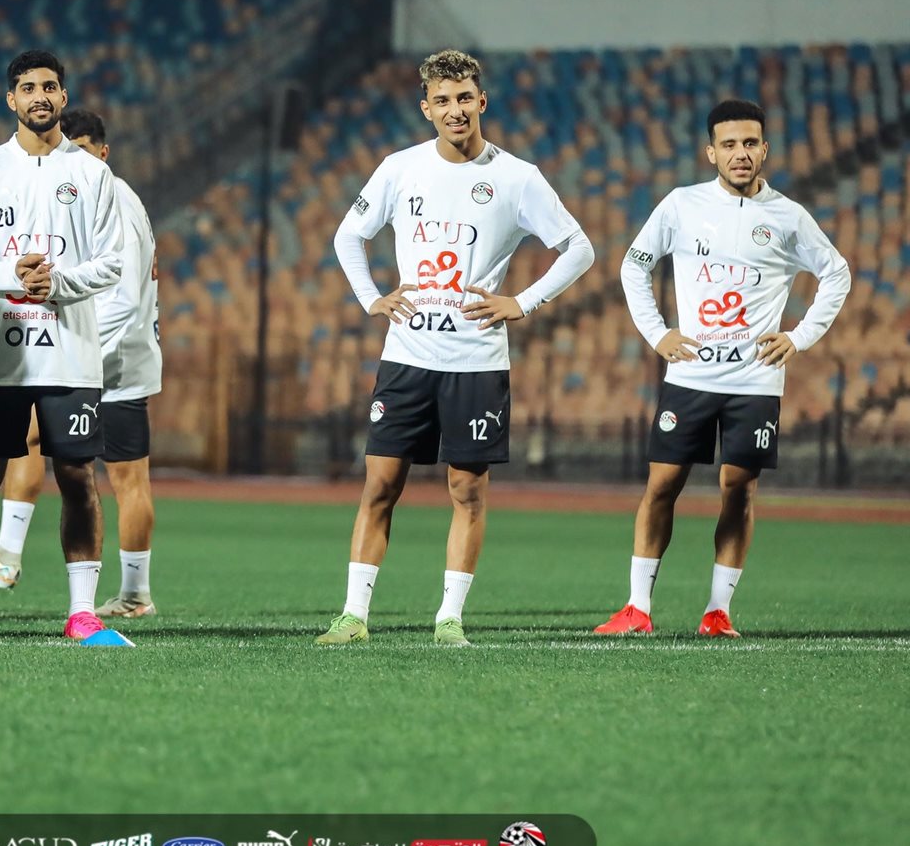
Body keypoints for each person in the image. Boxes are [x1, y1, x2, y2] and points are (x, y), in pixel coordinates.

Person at [320, 48, 595, 647]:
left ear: (482, 101)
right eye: (442, 100)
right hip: (407, 358)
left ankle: (449, 619)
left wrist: (523, 302)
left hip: (476, 362)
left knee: (466, 491)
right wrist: (372, 298)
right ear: (426, 109)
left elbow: (579, 248)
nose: (455, 110)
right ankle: (354, 616)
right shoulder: (399, 169)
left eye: (464, 98)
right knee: (380, 485)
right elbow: (348, 235)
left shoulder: (518, 177)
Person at [596, 99, 850, 638]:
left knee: (739, 487)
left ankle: (718, 611)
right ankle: (637, 608)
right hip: (690, 374)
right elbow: (634, 267)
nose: (740, 153)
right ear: (711, 152)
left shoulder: (788, 216)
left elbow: (837, 273)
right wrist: (658, 333)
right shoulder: (681, 205)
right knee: (662, 484)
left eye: (750, 143)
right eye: (729, 144)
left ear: (765, 150)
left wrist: (799, 336)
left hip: (755, 381)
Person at [0, 51, 125, 641]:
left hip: (70, 355)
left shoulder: (92, 175)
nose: (39, 96)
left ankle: (82, 614)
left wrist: (56, 284)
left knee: (77, 477)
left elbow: (112, 262)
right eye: (28, 87)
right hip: (0, 359)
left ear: (63, 97)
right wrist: (11, 276)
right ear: (10, 99)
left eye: (49, 86)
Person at [0, 108, 163, 618]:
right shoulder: (84, 201)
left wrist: (77, 353)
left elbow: (123, 300)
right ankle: (7, 554)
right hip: (87, 352)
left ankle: (134, 594)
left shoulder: (116, 202)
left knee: (126, 479)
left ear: (103, 153)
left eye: (83, 152)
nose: (74, 162)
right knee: (30, 433)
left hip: (113, 361)